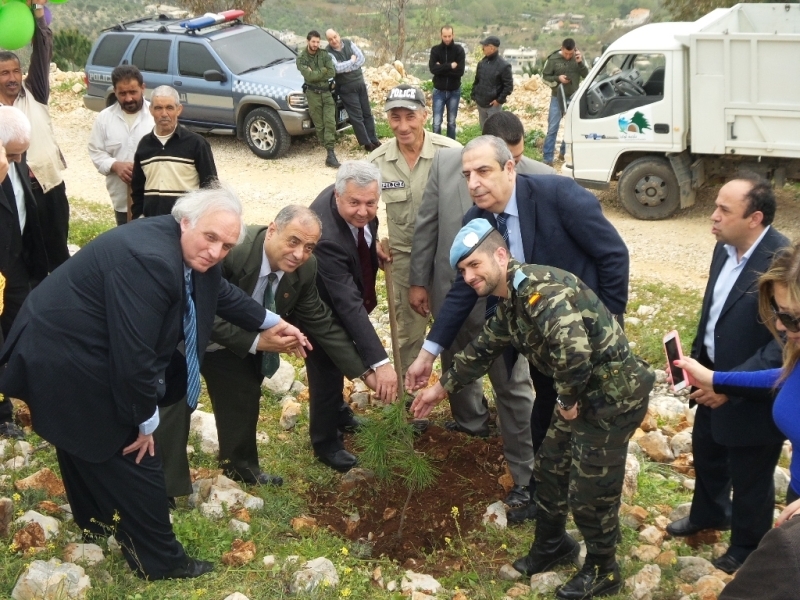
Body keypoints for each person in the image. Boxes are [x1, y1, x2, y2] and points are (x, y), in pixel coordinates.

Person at [0, 183, 309, 580]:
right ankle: (160, 561)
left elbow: (221, 291)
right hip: (61, 352)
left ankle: (97, 523)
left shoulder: (184, 244)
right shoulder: (150, 261)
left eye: (227, 246)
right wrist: (145, 421)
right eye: (210, 238)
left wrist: (273, 320)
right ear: (185, 222)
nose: (216, 252)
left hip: (71, 342)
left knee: (82, 431)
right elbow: (135, 361)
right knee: (135, 450)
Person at [411, 220, 654, 599]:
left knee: (591, 490)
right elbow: (483, 347)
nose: (470, 276)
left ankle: (604, 569)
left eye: (475, 265)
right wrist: (438, 390)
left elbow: (575, 353)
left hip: (612, 396)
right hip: (579, 394)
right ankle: (552, 545)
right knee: (550, 469)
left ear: (501, 255)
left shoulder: (541, 291)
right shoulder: (512, 300)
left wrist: (568, 401)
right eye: (463, 270)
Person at [406, 135, 629, 524]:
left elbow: (612, 255)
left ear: (510, 168)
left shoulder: (558, 195)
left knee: (588, 423)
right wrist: (429, 353)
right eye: (467, 175)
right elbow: (462, 292)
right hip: (537, 342)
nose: (474, 183)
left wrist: (606, 328)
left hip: (584, 340)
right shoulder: (475, 220)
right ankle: (544, 500)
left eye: (483, 171)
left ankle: (592, 513)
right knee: (544, 414)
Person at [157, 205, 387, 492]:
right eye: (293, 241)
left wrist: (366, 372)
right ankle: (162, 485)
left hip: (234, 344)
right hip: (185, 332)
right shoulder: (233, 250)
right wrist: (257, 342)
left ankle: (240, 467)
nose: (299, 254)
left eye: (309, 247)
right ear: (272, 229)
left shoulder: (305, 268)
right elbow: (199, 308)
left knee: (243, 396)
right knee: (171, 404)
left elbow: (320, 320)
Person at [408, 114, 554, 509]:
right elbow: (427, 225)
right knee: (459, 359)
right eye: (472, 173)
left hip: (516, 312)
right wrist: (420, 284)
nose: (477, 183)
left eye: (517, 161)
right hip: (456, 298)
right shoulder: (449, 168)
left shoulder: (545, 181)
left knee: (513, 386)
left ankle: (526, 473)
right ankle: (472, 424)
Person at [665, 175, 787, 575]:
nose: (713, 217)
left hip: (753, 388)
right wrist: (696, 366)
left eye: (724, 211)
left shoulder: (784, 262)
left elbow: (779, 343)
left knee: (751, 472)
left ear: (754, 218)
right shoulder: (725, 247)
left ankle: (749, 545)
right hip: (710, 376)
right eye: (715, 207)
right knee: (709, 451)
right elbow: (713, 312)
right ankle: (710, 513)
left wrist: (728, 386)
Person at [308, 161, 399, 472]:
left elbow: (363, 232)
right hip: (317, 305)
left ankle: (339, 413)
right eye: (355, 203)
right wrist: (380, 363)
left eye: (370, 203)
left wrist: (373, 253)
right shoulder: (327, 237)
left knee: (338, 363)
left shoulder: (357, 200)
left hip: (342, 292)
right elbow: (347, 305)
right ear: (337, 196)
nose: (363, 211)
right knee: (326, 365)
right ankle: (325, 442)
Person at [368, 84, 460, 375]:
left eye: (410, 116)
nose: (403, 126)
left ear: (424, 114)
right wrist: (373, 241)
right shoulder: (377, 163)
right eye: (395, 117)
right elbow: (363, 210)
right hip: (405, 260)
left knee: (454, 330)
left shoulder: (452, 154)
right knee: (408, 332)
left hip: (448, 258)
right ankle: (407, 401)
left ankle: (460, 395)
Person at [0, 2, 70, 272]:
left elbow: (42, 51)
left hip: (48, 188)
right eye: (4, 73)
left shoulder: (35, 92)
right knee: (23, 260)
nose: (12, 77)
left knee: (58, 255)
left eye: (15, 71)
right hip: (14, 196)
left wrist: (38, 11)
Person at [0, 107, 47, 440]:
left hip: (16, 265)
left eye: (22, 153)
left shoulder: (17, 160)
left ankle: (25, 397)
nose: (18, 161)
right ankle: (3, 414)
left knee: (18, 333)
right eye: (13, 154)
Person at [130, 86, 217, 219]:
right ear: (151, 110)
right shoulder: (144, 145)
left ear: (179, 110)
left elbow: (210, 188)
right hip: (151, 224)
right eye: (159, 108)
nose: (164, 113)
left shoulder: (196, 144)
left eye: (169, 108)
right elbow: (137, 188)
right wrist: (139, 216)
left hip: (184, 225)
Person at [88, 65, 154, 226]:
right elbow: (96, 152)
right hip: (122, 201)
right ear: (115, 91)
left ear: (142, 88)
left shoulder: (156, 115)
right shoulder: (104, 118)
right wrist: (115, 165)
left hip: (153, 199)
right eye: (122, 93)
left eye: (133, 92)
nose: (129, 98)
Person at [325, 29, 381, 152]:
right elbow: (337, 68)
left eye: (335, 37)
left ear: (338, 35)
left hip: (360, 83)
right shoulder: (328, 53)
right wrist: (351, 61)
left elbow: (361, 59)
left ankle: (374, 139)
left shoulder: (349, 43)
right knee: (357, 117)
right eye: (330, 39)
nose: (334, 40)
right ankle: (366, 143)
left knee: (367, 113)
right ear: (328, 41)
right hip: (346, 88)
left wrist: (348, 66)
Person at [541, 38, 588, 166]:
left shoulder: (578, 58)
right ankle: (547, 158)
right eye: (566, 53)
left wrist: (580, 63)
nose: (568, 56)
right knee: (552, 128)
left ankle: (564, 153)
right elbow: (544, 77)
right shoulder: (553, 59)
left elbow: (588, 75)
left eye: (570, 53)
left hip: (574, 97)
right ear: (561, 48)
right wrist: (558, 79)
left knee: (571, 128)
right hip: (557, 97)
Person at [297, 30, 339, 168]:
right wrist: (323, 71)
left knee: (330, 122)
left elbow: (332, 71)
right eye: (313, 42)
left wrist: (316, 73)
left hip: (326, 93)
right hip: (313, 95)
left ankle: (331, 153)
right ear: (307, 41)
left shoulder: (324, 55)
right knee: (320, 125)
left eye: (317, 42)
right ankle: (328, 149)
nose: (315, 44)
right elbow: (309, 77)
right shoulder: (302, 58)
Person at [428, 25, 466, 140]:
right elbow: (433, 69)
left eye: (449, 36)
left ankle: (451, 146)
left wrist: (441, 68)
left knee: (451, 122)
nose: (447, 39)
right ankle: (436, 144)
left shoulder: (459, 50)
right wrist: (450, 66)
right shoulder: (435, 50)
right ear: (441, 36)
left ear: (453, 35)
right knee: (436, 122)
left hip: (454, 91)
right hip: (439, 91)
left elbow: (460, 72)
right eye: (445, 36)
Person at [470, 36, 513, 128]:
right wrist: (474, 94)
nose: (482, 48)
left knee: (494, 130)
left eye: (485, 45)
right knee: (483, 129)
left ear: (492, 48)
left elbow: (508, 86)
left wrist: (499, 100)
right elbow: (477, 80)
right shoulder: (482, 63)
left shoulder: (504, 65)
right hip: (480, 103)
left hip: (493, 106)